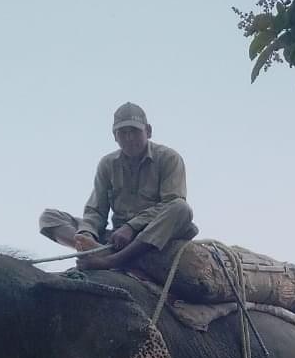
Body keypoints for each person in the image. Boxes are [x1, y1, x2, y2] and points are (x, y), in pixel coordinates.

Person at [38, 102, 198, 271]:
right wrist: (86, 234)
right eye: (122, 133)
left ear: (148, 131)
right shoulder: (107, 164)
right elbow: (96, 211)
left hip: (156, 236)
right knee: (48, 217)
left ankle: (112, 261)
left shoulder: (168, 158)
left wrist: (131, 227)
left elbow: (171, 202)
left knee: (181, 208)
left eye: (135, 131)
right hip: (116, 238)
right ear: (114, 136)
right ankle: (93, 250)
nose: (129, 138)